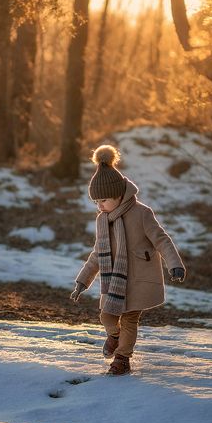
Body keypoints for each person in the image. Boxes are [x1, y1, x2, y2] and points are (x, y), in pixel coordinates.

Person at [70, 144, 185, 376]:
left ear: (118, 195)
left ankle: (122, 359)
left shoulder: (142, 213)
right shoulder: (103, 220)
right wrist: (82, 282)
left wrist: (174, 265)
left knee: (130, 320)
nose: (99, 206)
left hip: (139, 280)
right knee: (106, 316)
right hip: (114, 281)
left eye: (103, 200)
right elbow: (97, 254)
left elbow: (162, 240)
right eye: (96, 202)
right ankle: (114, 336)